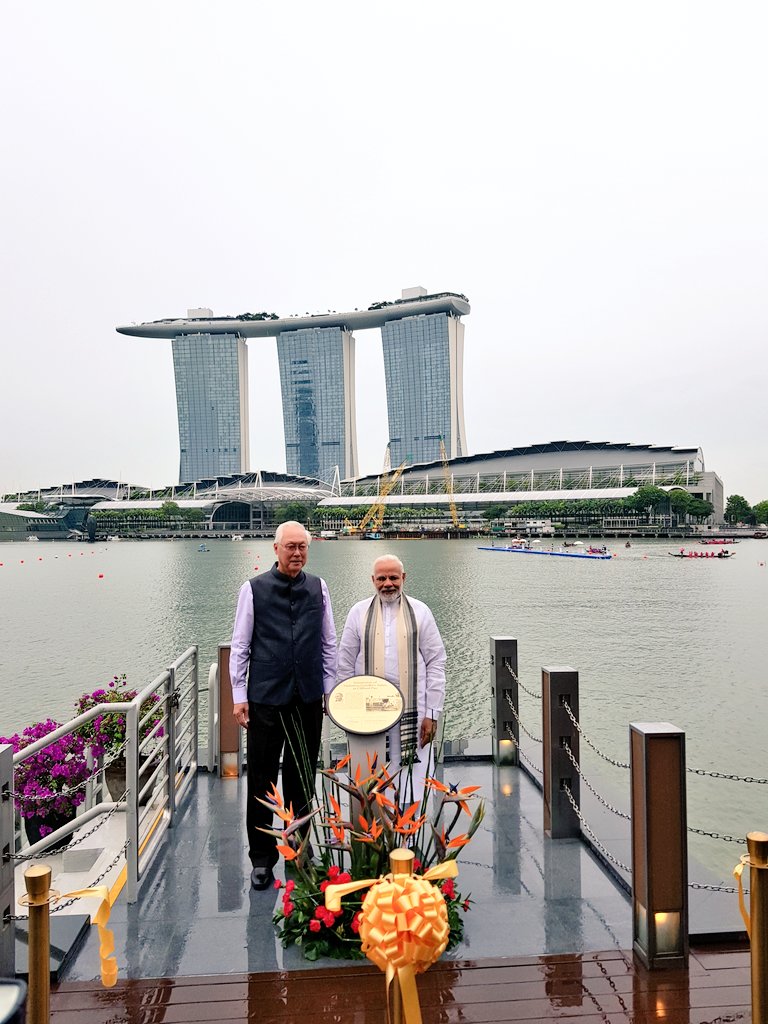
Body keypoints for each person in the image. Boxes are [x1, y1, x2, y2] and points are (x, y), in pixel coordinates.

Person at [230, 521, 337, 890]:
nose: (297, 553)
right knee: (261, 779)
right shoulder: (253, 589)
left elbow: (329, 644)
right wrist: (239, 696)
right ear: (275, 549)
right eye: (290, 546)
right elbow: (240, 646)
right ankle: (261, 858)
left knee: (302, 776)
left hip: (307, 698)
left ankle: (299, 845)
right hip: (265, 699)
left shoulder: (319, 588)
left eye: (302, 547)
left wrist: (328, 691)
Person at [336, 554, 446, 805]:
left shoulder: (421, 612)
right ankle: (375, 838)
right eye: (382, 578)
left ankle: (409, 837)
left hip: (413, 714)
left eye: (394, 577)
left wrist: (432, 713)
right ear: (373, 580)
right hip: (368, 714)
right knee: (370, 784)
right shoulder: (358, 612)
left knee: (412, 784)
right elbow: (344, 663)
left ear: (403, 578)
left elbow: (436, 662)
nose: (388, 583)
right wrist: (344, 709)